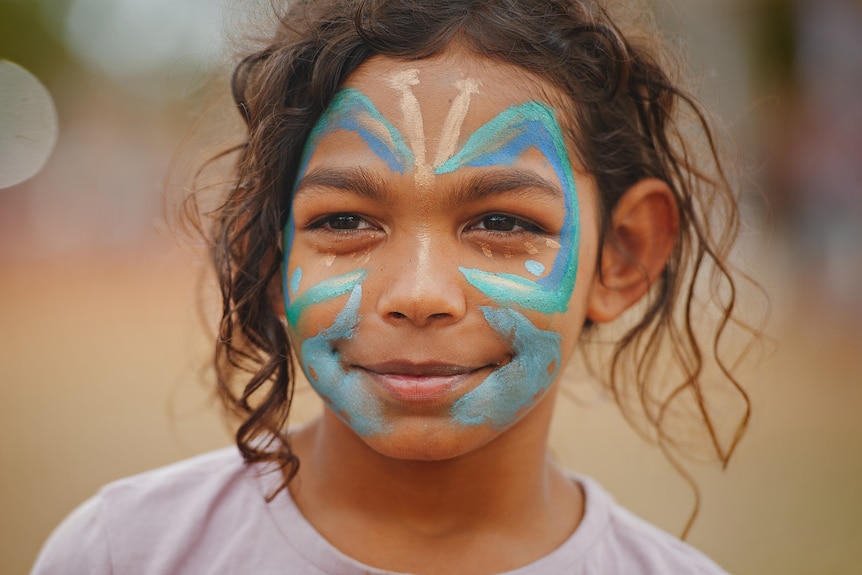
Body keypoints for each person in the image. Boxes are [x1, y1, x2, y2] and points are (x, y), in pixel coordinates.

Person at [32, 0, 758, 573]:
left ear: (622, 255)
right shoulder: (123, 555)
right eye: (346, 219)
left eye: (502, 220)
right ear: (264, 247)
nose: (418, 291)